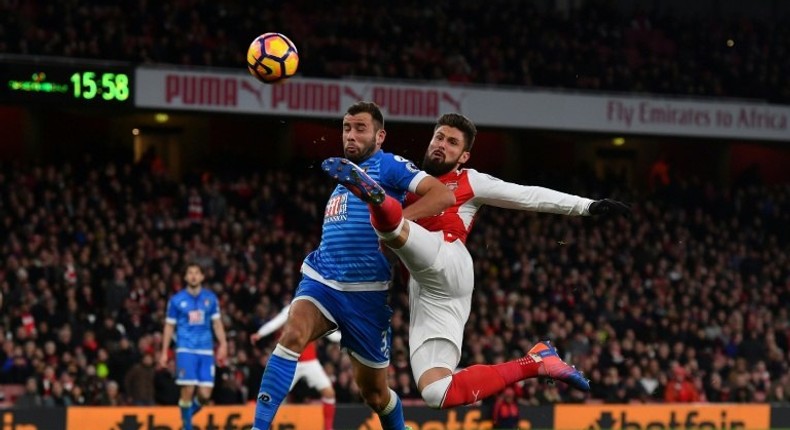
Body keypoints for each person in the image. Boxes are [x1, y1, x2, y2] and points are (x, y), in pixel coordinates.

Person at [322, 113, 631, 410]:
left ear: (463, 156)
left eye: (452, 143)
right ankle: (538, 362)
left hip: (449, 260)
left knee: (390, 226)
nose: (442, 145)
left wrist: (587, 206)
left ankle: (379, 204)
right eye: (439, 137)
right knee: (435, 392)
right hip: (426, 291)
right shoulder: (412, 180)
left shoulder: (470, 180)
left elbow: (528, 195)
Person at [252, 101, 454, 430]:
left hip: (366, 296)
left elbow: (442, 195)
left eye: (360, 129)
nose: (350, 135)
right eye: (346, 128)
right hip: (322, 279)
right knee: (292, 335)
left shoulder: (388, 165)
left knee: (374, 395)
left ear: (380, 135)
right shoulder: (342, 178)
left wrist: (398, 224)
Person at [160, 262, 228, 430]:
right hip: (185, 349)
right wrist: (164, 352)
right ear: (185, 277)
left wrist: (223, 344)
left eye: (197, 273)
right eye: (190, 273)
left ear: (202, 276)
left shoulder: (210, 298)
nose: (193, 276)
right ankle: (188, 427)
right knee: (188, 390)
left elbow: (217, 323)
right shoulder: (176, 300)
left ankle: (186, 420)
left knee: (205, 395)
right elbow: (169, 326)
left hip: (206, 350)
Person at [251, 304, 341, 430]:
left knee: (329, 393)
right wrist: (260, 333)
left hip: (310, 361)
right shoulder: (294, 306)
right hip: (291, 360)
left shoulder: (317, 308)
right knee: (275, 398)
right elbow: (276, 322)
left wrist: (350, 339)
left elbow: (331, 334)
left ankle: (328, 428)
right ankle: (262, 426)